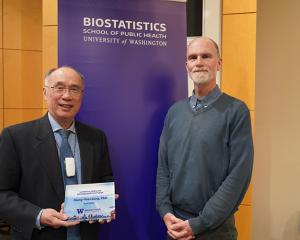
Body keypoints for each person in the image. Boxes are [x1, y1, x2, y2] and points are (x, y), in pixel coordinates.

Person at [0, 66, 115, 240]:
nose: (67, 96)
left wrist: (105, 204)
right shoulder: (16, 137)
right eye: (59, 88)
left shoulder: (96, 138)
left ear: (82, 95)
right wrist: (39, 215)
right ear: (45, 92)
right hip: (39, 235)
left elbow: (105, 178)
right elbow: (2, 194)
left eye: (74, 89)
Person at [156, 37, 254, 240]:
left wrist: (199, 224)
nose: (198, 62)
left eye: (206, 56)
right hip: (175, 227)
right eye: (193, 57)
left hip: (215, 229)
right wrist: (165, 210)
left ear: (219, 63)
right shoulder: (174, 112)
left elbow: (238, 176)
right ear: (186, 66)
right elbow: (163, 167)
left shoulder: (236, 111)